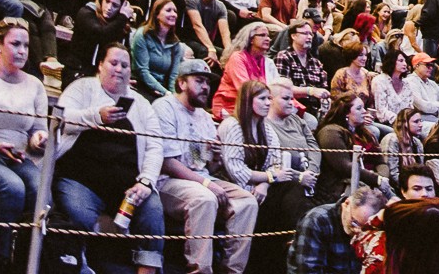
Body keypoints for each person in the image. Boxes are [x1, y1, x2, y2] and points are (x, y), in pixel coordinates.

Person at [54, 42, 168, 273]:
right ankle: (79, 265)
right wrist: (97, 116)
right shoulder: (81, 88)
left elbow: (155, 147)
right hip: (80, 180)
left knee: (153, 211)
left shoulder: (142, 104)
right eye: (113, 63)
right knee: (79, 213)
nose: (119, 69)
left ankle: (147, 270)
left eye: (124, 65)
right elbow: (61, 120)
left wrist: (146, 181)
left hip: (128, 186)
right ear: (100, 65)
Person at [153, 55, 262, 274]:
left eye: (207, 82)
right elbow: (167, 163)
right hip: (168, 181)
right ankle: (200, 270)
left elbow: (202, 165)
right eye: (199, 81)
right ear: (182, 83)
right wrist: (206, 183)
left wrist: (216, 158)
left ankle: (232, 270)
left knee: (247, 202)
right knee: (205, 198)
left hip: (201, 178)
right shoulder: (164, 107)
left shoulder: (203, 116)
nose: (205, 87)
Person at [0, 16, 52, 273]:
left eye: (26, 45)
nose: (22, 51)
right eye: (15, 44)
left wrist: (39, 139)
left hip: (17, 155)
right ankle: (0, 262)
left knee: (41, 192)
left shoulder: (35, 85)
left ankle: (25, 262)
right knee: (12, 188)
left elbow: (38, 129)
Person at [219, 76, 315, 274]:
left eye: (269, 99)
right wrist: (269, 178)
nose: (267, 103)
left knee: (293, 188)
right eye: (262, 99)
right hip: (234, 186)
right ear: (248, 100)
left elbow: (275, 161)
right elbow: (236, 170)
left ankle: (294, 246)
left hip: (260, 187)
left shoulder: (265, 128)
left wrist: (264, 184)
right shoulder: (233, 125)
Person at [288, 184, 389, 274]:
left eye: (364, 228)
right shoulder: (316, 221)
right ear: (346, 204)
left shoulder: (373, 230)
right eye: (354, 222)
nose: (357, 230)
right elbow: (308, 270)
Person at [70, 0, 136, 82]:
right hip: (78, 71)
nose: (109, 8)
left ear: (121, 8)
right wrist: (123, 17)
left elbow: (125, 54)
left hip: (103, 76)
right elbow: (100, 35)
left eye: (115, 5)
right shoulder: (86, 13)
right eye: (107, 1)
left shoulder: (119, 25)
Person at [218, 19, 277, 121]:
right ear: (251, 39)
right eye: (262, 35)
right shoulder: (237, 58)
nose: (267, 39)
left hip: (259, 104)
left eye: (268, 36)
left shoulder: (266, 61)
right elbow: (244, 89)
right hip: (233, 105)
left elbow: (276, 87)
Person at [134, 0, 190, 98]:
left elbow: (173, 75)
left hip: (162, 89)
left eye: (175, 11)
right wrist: (166, 93)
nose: (173, 14)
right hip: (141, 86)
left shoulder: (175, 43)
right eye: (168, 10)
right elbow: (143, 71)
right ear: (157, 15)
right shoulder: (142, 35)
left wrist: (173, 95)